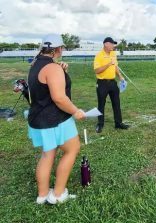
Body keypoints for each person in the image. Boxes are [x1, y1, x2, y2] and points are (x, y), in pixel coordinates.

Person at [27, 34, 85, 204]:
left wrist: (62, 71)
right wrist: (75, 111)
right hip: (55, 119)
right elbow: (59, 98)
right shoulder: (53, 68)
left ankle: (43, 195)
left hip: (38, 119)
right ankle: (58, 195)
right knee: (72, 150)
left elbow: (45, 86)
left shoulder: (36, 64)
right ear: (58, 49)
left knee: (47, 155)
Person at [94, 37, 129, 133]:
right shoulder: (99, 55)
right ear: (106, 44)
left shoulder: (113, 53)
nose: (114, 45)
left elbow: (115, 66)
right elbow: (97, 70)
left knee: (116, 103)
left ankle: (118, 123)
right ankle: (100, 124)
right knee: (101, 104)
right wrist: (109, 64)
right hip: (102, 83)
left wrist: (120, 77)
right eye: (112, 44)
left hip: (113, 82)